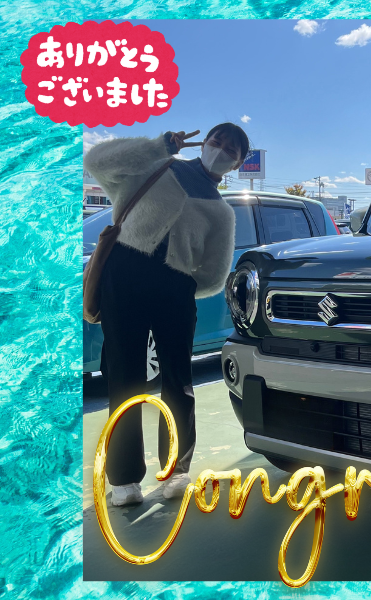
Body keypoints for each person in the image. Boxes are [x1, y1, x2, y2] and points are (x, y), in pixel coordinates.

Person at [84, 123, 249, 506]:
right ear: (204, 141)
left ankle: (177, 471)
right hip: (124, 273)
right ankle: (123, 480)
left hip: (176, 288)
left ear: (237, 164)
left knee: (178, 379)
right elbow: (96, 161)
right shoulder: (154, 167)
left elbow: (214, 274)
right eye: (217, 140)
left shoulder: (222, 213)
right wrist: (160, 146)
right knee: (124, 376)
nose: (221, 149)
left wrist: (181, 281)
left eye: (232, 149)